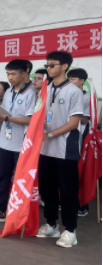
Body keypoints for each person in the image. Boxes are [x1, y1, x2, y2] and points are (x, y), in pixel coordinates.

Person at [36, 51, 83, 248]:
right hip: (45, 149)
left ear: (64, 66)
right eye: (47, 65)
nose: (48, 68)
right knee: (47, 190)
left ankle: (70, 231)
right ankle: (51, 224)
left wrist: (49, 134)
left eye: (52, 65)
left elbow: (73, 123)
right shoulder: (45, 89)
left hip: (64, 149)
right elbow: (38, 116)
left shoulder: (73, 91)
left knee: (68, 191)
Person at [0, 60, 36, 222]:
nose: (10, 77)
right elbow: (5, 113)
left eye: (13, 74)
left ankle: (18, 214)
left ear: (24, 73)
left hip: (21, 144)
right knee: (1, 177)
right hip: (5, 142)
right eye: (8, 74)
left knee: (21, 181)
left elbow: (30, 120)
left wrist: (5, 118)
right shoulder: (10, 91)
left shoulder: (31, 93)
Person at [67, 67, 91, 217]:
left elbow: (84, 120)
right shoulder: (66, 94)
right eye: (69, 79)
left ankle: (80, 203)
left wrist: (73, 113)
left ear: (82, 81)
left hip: (79, 137)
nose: (70, 82)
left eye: (73, 79)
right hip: (63, 136)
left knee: (77, 170)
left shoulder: (87, 97)